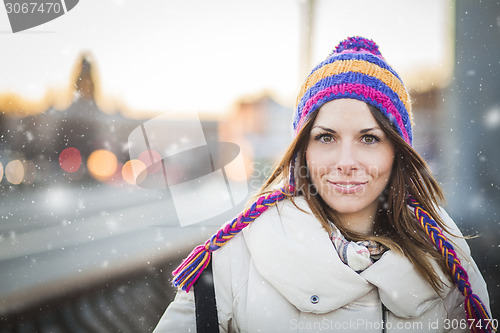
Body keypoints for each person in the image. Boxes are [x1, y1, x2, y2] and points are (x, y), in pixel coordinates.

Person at [153, 37, 493, 333]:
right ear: (303, 149)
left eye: (369, 138)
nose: (346, 161)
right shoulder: (234, 259)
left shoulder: (448, 260)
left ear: (397, 152)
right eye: (326, 137)